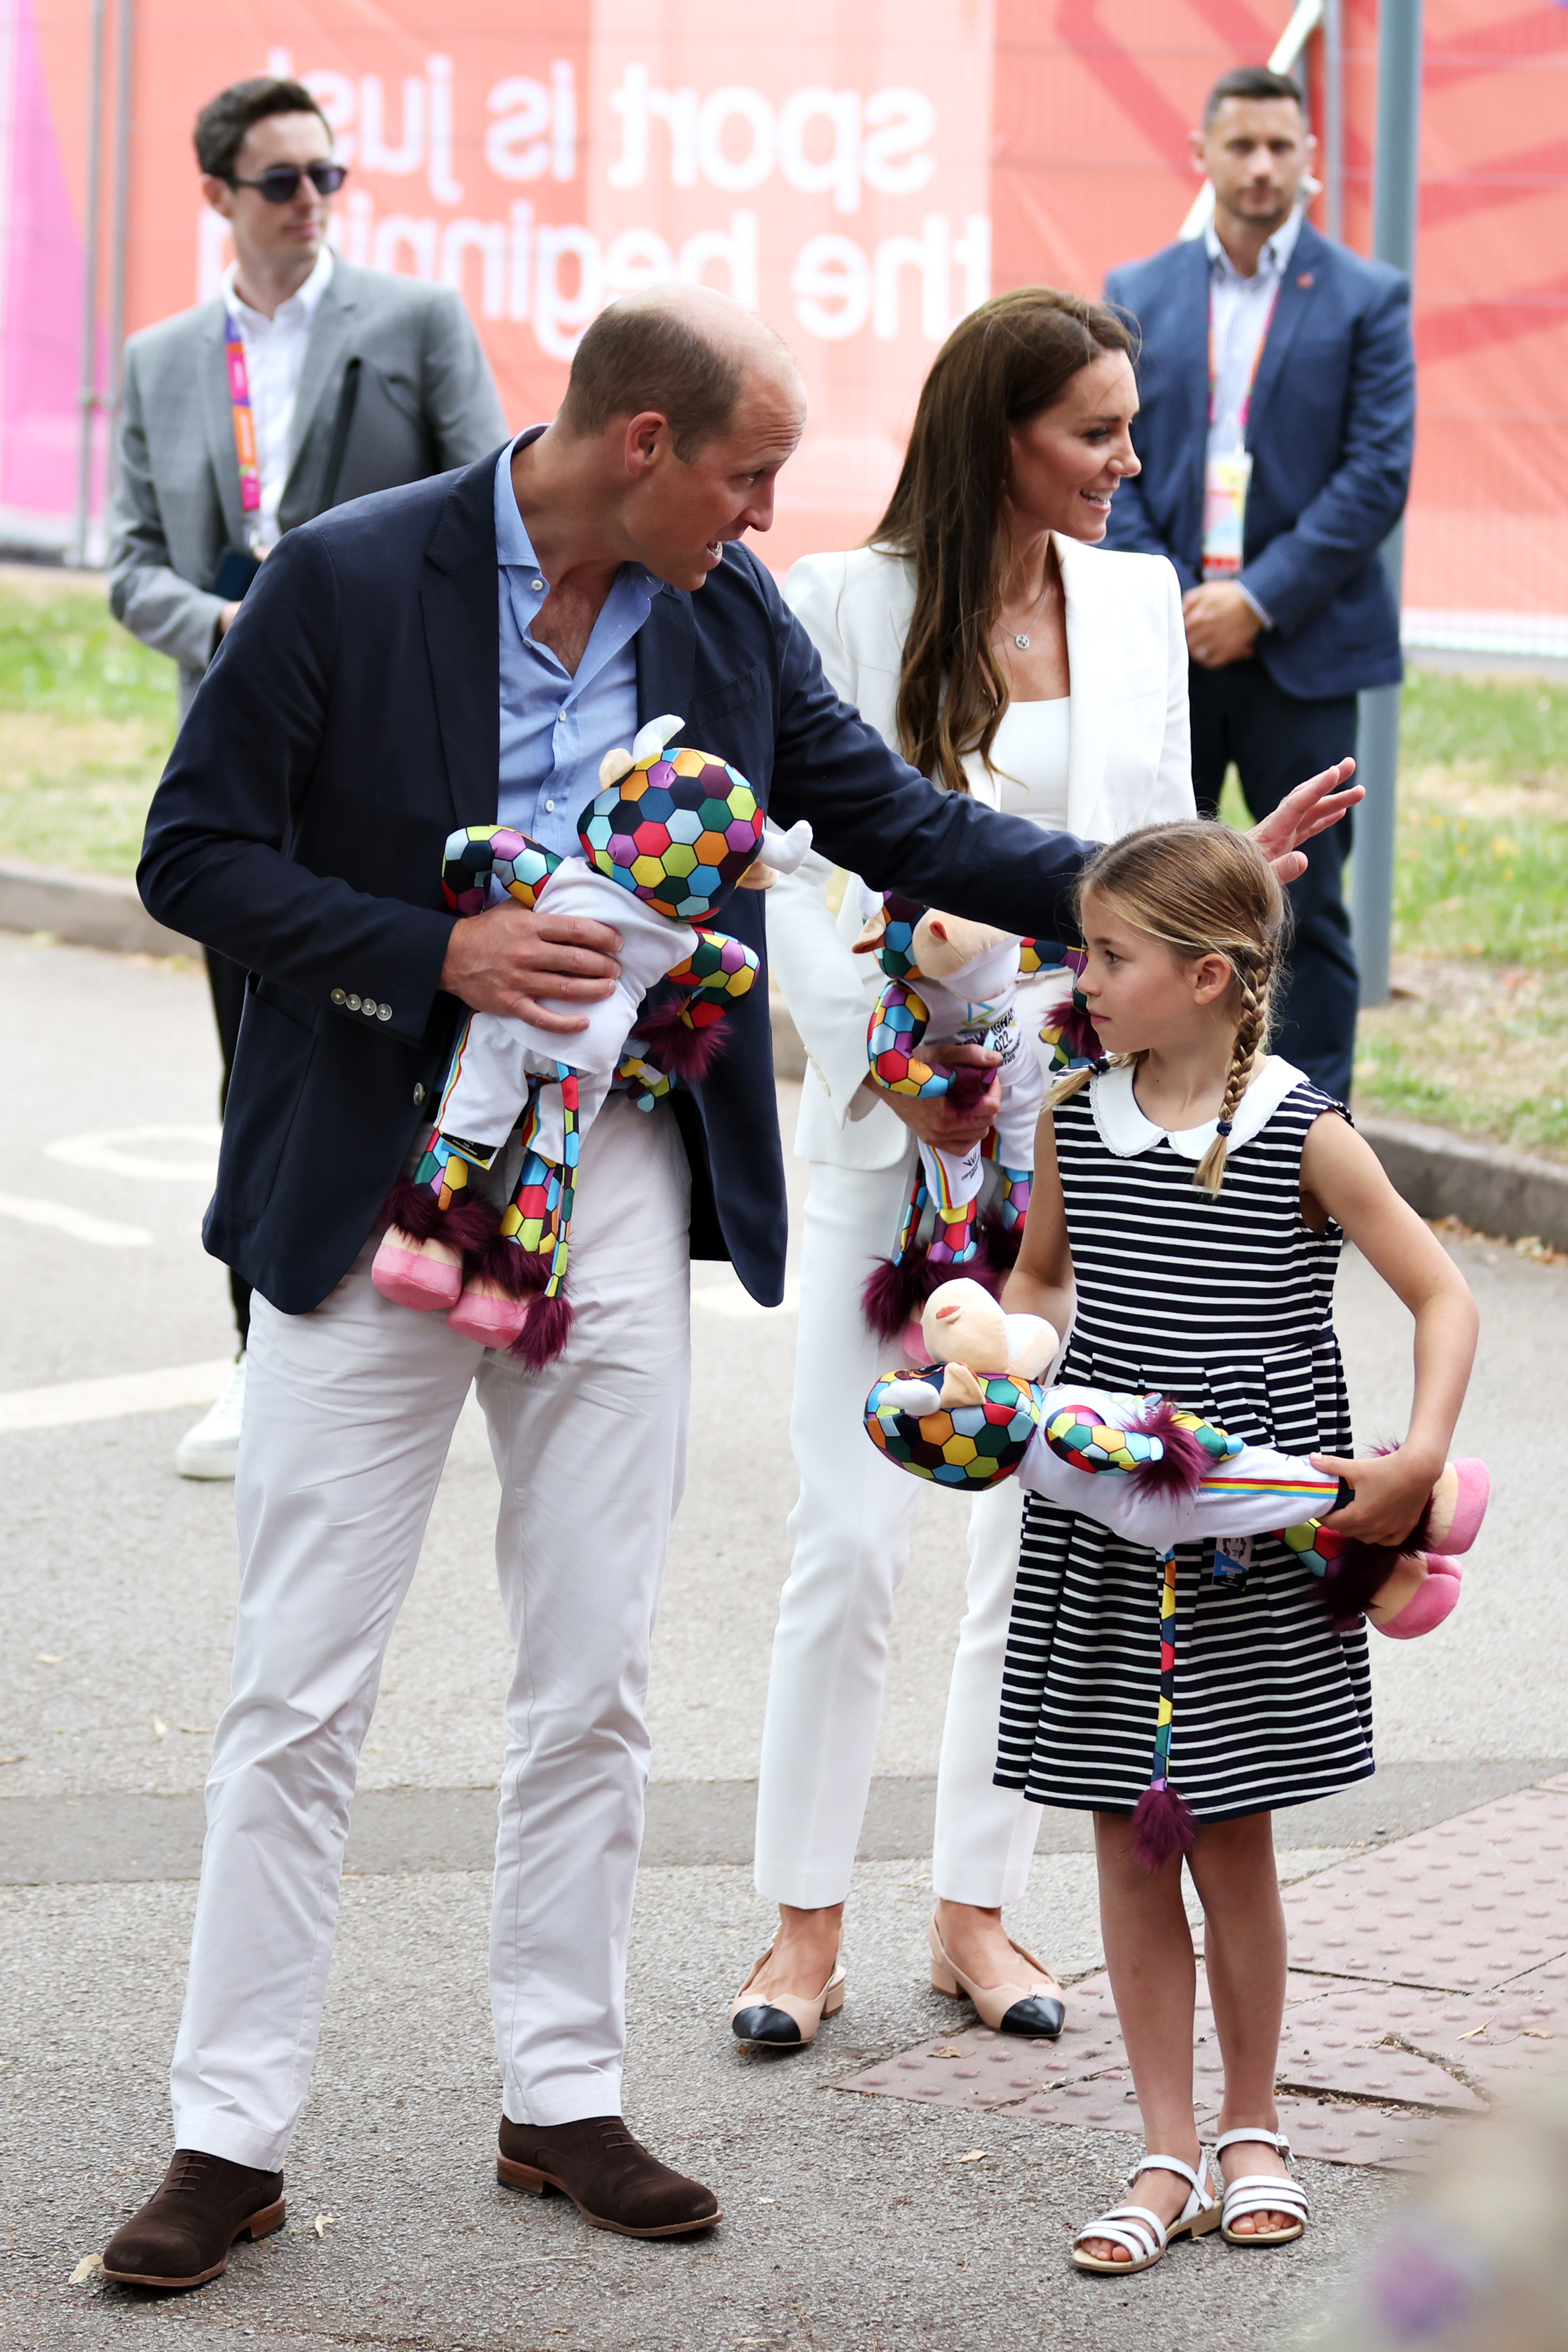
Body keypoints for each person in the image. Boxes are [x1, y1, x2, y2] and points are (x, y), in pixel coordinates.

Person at [104, 283, 1355, 2294]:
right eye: (749, 475)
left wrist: (1169, 879)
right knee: (299, 1681)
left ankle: (562, 2092)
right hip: (370, 1181)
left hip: (614, 1177)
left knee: (592, 1668)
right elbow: (190, 857)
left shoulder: (717, 611)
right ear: (643, 447)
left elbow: (884, 813)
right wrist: (436, 955)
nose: (769, 518)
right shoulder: (348, 578)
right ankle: (226, 2132)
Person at [739, 287, 1195, 2053]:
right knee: (847, 1534)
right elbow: (795, 865)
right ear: (998, 432)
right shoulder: (846, 601)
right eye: (1095, 429)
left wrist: (1231, 894)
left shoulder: (1138, 603)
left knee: (1032, 1537)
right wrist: (897, 1059)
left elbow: (1138, 865)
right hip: (884, 1128)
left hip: (1065, 1144)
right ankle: (800, 1924)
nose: (1127, 461)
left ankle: (974, 1912)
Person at [996, 820, 1477, 2273]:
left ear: (1209, 977)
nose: (1083, 978)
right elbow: (1035, 1277)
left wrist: (1419, 1458)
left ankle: (1254, 2125)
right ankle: (1159, 2147)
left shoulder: (1297, 1128)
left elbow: (1445, 1294)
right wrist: (1002, 1371)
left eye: (1111, 955)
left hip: (1254, 1539)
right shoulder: (1071, 1116)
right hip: (1103, 1529)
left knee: (1232, 1840)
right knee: (1124, 1841)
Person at [108, 74, 507, 1481]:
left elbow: (487, 502)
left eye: (328, 175)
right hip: (247, 747)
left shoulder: (413, 322)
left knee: (440, 1039)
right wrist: (234, 623)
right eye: (282, 179)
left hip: (406, 759)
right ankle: (255, 1350)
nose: (312, 200)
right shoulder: (163, 357)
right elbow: (130, 562)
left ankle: (466, 1311)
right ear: (218, 194)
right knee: (262, 1059)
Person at [1103, 64, 1416, 1105]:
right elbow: (1114, 455)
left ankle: (1307, 1128)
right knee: (1153, 892)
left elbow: (1375, 474)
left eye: (1281, 148)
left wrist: (1255, 598)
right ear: (1201, 155)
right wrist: (1174, 599)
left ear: (1310, 165)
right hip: (1167, 646)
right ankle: (1159, 1106)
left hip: (1304, 646)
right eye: (1239, 146)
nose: (1261, 167)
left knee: (1309, 908)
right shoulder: (1136, 294)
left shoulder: (1367, 298)